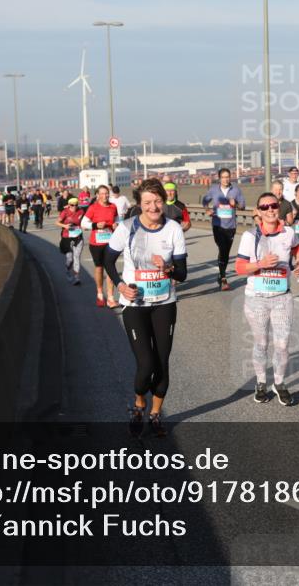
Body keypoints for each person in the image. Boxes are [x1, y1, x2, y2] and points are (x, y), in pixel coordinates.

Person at [104, 178, 188, 438]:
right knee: (146, 364)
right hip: (135, 305)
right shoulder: (126, 228)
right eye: (148, 202)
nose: (153, 207)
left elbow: (182, 274)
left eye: (158, 201)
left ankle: (155, 414)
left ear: (164, 201)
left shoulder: (173, 229)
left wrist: (167, 267)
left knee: (162, 364)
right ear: (139, 205)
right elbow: (107, 261)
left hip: (164, 304)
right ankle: (139, 403)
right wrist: (119, 285)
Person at [235, 192, 299, 406]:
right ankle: (261, 382)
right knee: (262, 343)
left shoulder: (288, 232)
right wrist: (261, 264)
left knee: (282, 345)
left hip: (282, 298)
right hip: (257, 299)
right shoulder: (250, 236)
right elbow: (239, 268)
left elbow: (297, 245)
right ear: (258, 212)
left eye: (273, 205)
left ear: (278, 207)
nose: (270, 210)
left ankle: (279, 383)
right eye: (264, 207)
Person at [201, 168, 245, 291]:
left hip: (231, 226)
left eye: (228, 177)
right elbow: (205, 200)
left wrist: (235, 203)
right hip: (218, 225)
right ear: (219, 178)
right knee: (222, 248)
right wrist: (207, 210)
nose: (226, 179)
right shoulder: (214, 189)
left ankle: (220, 275)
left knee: (225, 252)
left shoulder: (236, 190)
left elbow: (242, 206)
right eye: (223, 177)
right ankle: (224, 278)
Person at [82, 185, 119, 307]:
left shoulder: (113, 207)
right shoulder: (93, 207)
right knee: (99, 268)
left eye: (107, 193)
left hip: (110, 242)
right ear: (97, 195)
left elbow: (118, 220)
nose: (105, 196)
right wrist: (96, 225)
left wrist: (116, 225)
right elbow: (84, 223)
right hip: (96, 243)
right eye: (102, 193)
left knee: (110, 268)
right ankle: (99, 293)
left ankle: (110, 297)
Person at [56, 197, 85, 285]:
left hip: (78, 237)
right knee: (70, 259)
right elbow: (57, 222)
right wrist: (65, 226)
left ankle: (76, 277)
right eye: (72, 205)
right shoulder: (65, 212)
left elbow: (84, 221)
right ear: (69, 205)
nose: (74, 207)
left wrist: (84, 226)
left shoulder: (81, 211)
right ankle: (68, 270)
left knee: (76, 257)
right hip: (66, 237)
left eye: (76, 205)